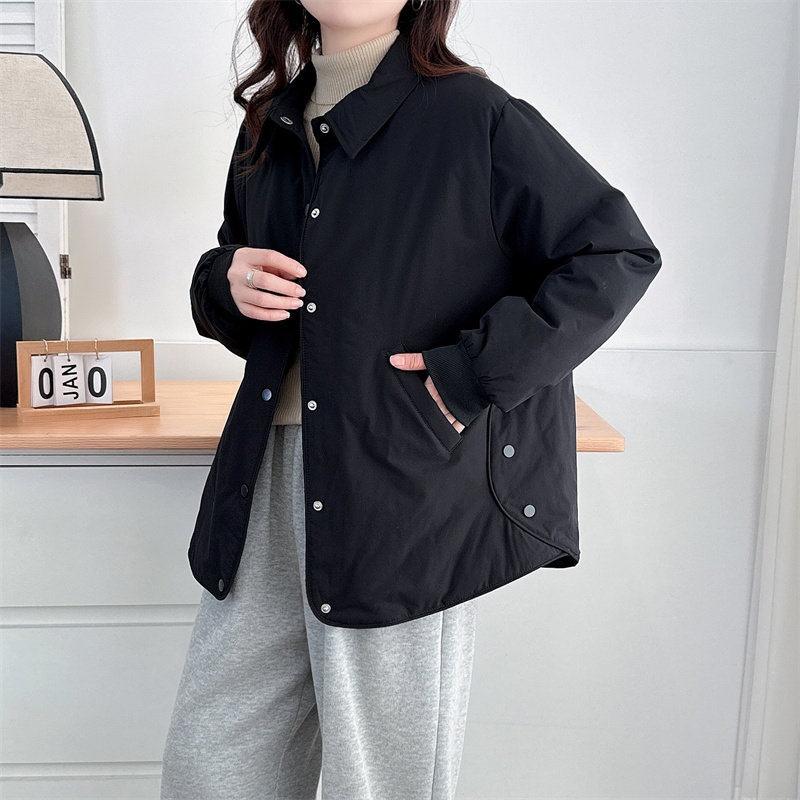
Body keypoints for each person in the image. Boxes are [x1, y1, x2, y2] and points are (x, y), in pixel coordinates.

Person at [160, 1, 662, 798]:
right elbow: (239, 270)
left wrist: (470, 371)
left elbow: (614, 253)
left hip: (400, 485)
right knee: (211, 765)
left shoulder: (474, 117)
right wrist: (224, 280)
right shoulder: (269, 125)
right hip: (266, 476)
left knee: (379, 780)